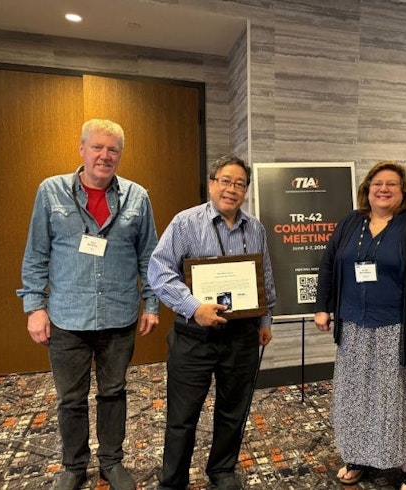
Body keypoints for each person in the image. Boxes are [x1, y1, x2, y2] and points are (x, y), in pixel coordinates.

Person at [17, 119, 160, 490]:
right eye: (97, 147)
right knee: (71, 399)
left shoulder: (137, 197)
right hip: (67, 317)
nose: (105, 155)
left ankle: (111, 462)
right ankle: (73, 465)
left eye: (113, 149)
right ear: (82, 149)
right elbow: (36, 255)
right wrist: (35, 307)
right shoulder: (51, 192)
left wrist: (152, 304)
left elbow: (150, 258)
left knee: (113, 392)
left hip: (118, 315)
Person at [314, 161, 406, 490]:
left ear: (403, 191)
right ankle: (358, 455)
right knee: (356, 397)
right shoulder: (350, 222)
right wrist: (322, 307)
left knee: (398, 398)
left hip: (397, 330)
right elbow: (329, 264)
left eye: (391, 184)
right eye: (377, 183)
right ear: (367, 189)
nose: (383, 189)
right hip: (355, 329)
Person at [148, 155, 276, 490]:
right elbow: (158, 272)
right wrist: (192, 306)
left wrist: (265, 319)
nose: (232, 189)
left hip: (242, 336)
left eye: (240, 184)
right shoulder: (186, 223)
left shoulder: (255, 228)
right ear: (211, 183)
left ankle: (221, 470)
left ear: (246, 190)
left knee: (234, 409)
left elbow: (265, 276)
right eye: (225, 181)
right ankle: (172, 481)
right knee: (182, 416)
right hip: (195, 336)